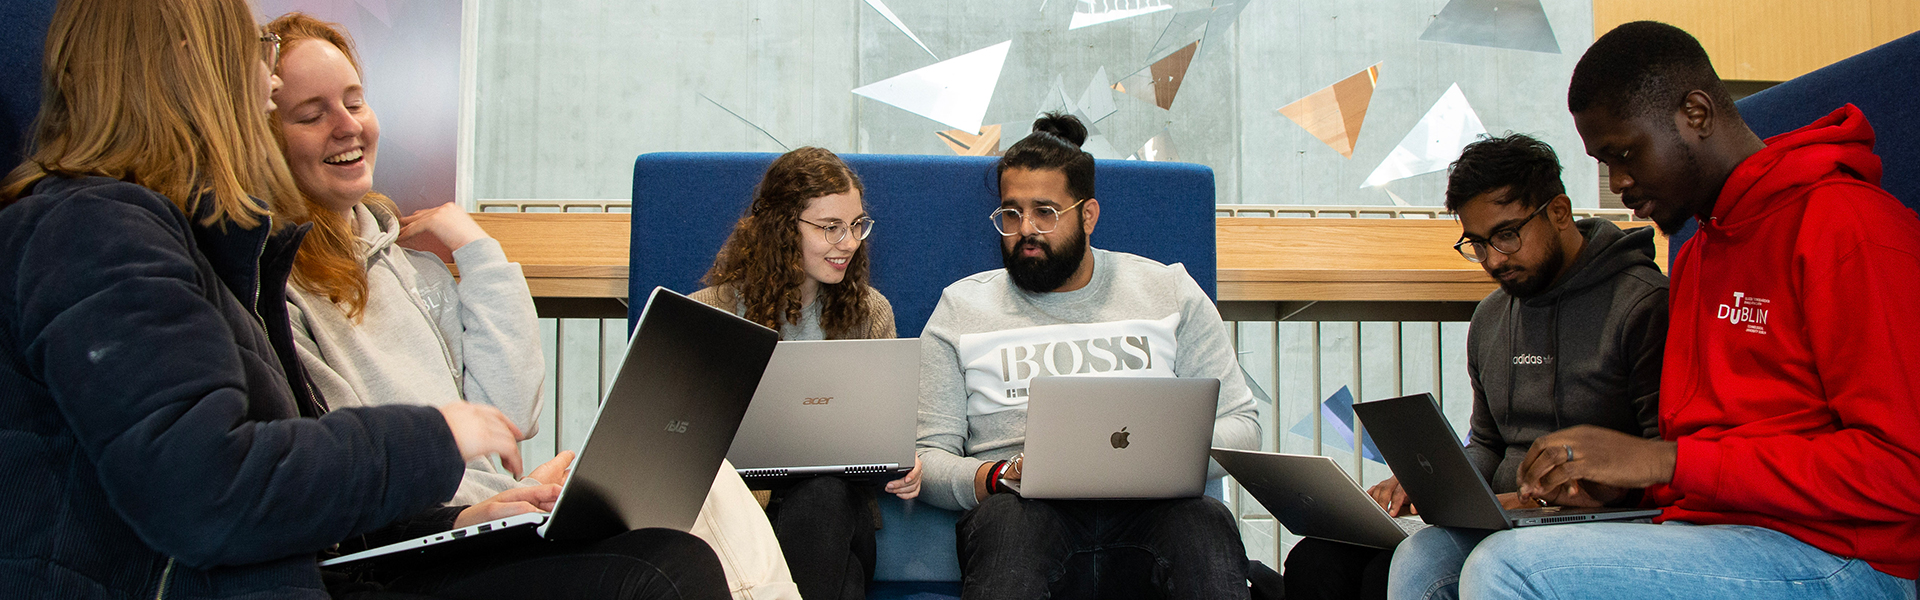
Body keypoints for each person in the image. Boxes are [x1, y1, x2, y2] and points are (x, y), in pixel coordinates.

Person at [0, 0, 528, 597]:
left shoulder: (175, 242)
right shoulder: (96, 234)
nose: (272, 79)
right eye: (259, 51)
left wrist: (455, 512)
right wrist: (433, 437)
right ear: (192, 66)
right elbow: (205, 490)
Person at [261, 13, 739, 599]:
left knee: (681, 533)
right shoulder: (276, 290)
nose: (346, 127)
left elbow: (509, 418)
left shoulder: (410, 267)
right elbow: (341, 476)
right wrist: (467, 512)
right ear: (262, 138)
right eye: (312, 115)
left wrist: (478, 251)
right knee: (665, 568)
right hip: (400, 551)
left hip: (477, 526)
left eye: (355, 103)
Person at [1441, 21, 1920, 599]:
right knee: (1434, 560)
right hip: (1711, 532)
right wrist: (1617, 490)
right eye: (1603, 162)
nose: (1618, 183)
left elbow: (1903, 471)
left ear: (1696, 113)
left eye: (1625, 154)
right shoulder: (1696, 257)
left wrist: (1662, 464)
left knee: (1508, 569)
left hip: (1846, 556)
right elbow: (1698, 461)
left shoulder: (1849, 226)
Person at [1283, 134, 1667, 600]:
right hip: (1502, 515)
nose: (1494, 260)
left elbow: (1660, 460)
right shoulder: (1491, 316)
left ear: (1559, 212)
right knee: (1317, 559)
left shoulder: (1642, 304)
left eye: (1507, 235)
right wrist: (1432, 484)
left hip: (1593, 522)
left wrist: (1549, 498)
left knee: (1405, 567)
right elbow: (1487, 443)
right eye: (1477, 243)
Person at [916, 112, 1260, 599]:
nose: (1026, 230)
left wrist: (1163, 453)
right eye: (1011, 214)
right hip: (1022, 511)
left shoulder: (1169, 292)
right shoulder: (961, 308)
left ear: (1088, 215)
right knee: (1010, 529)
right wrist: (997, 475)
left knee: (1203, 523)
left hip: (1155, 510)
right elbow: (927, 458)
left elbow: (1242, 426)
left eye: (1045, 212)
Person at [693, 145, 922, 600]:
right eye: (831, 227)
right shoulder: (709, 314)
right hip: (738, 519)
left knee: (824, 495)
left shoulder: (869, 313)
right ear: (781, 227)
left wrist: (908, 460)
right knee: (846, 584)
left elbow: (887, 429)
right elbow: (683, 440)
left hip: (839, 510)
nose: (850, 242)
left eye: (856, 225)